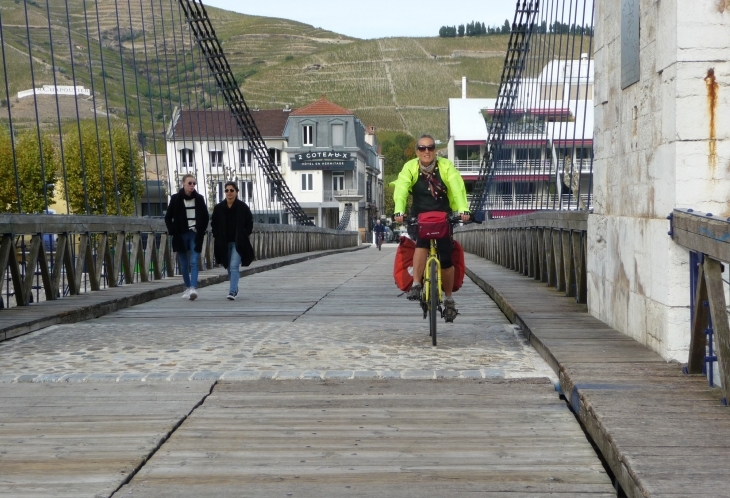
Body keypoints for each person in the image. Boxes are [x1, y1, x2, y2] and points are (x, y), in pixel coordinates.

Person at [392, 134, 470, 322]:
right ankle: (417, 284)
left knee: (445, 257)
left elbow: (456, 187)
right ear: (417, 151)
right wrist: (399, 211)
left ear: (435, 149)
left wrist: (463, 209)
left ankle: (449, 299)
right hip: (419, 216)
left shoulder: (445, 166)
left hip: (443, 216)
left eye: (430, 147)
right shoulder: (410, 167)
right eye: (422, 148)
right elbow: (401, 189)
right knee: (422, 242)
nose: (426, 151)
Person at [165, 174, 209, 301]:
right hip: (181, 234)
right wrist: (172, 230)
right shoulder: (176, 199)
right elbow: (168, 217)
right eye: (189, 183)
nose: (192, 186)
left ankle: (193, 288)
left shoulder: (199, 199)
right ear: (183, 183)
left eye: (194, 184)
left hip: (195, 233)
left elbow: (205, 217)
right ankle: (188, 287)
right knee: (184, 263)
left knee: (194, 261)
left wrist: (201, 229)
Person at [211, 181, 254, 300]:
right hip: (224, 243)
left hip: (238, 242)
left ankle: (232, 291)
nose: (229, 192)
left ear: (236, 192)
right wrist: (216, 235)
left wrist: (244, 234)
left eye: (231, 190)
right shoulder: (218, 208)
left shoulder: (243, 207)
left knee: (234, 265)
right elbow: (213, 224)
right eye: (226, 190)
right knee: (229, 267)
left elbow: (249, 223)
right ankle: (235, 287)